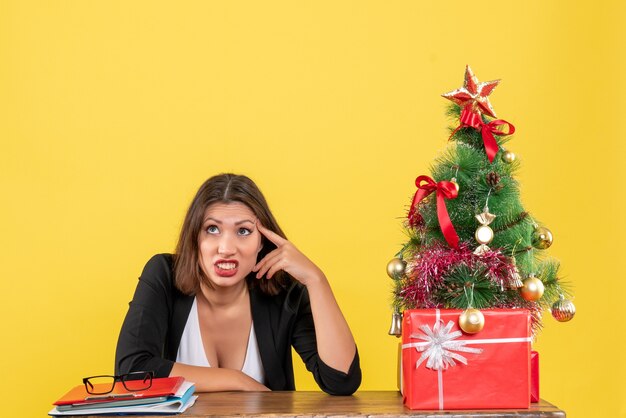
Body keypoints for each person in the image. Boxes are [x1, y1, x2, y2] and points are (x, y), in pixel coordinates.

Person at [115, 173, 361, 395]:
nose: (226, 249)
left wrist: (316, 280)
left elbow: (342, 382)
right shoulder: (163, 275)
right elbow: (132, 371)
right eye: (212, 229)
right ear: (195, 238)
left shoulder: (283, 292)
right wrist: (237, 379)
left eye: (243, 231)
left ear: (262, 242)